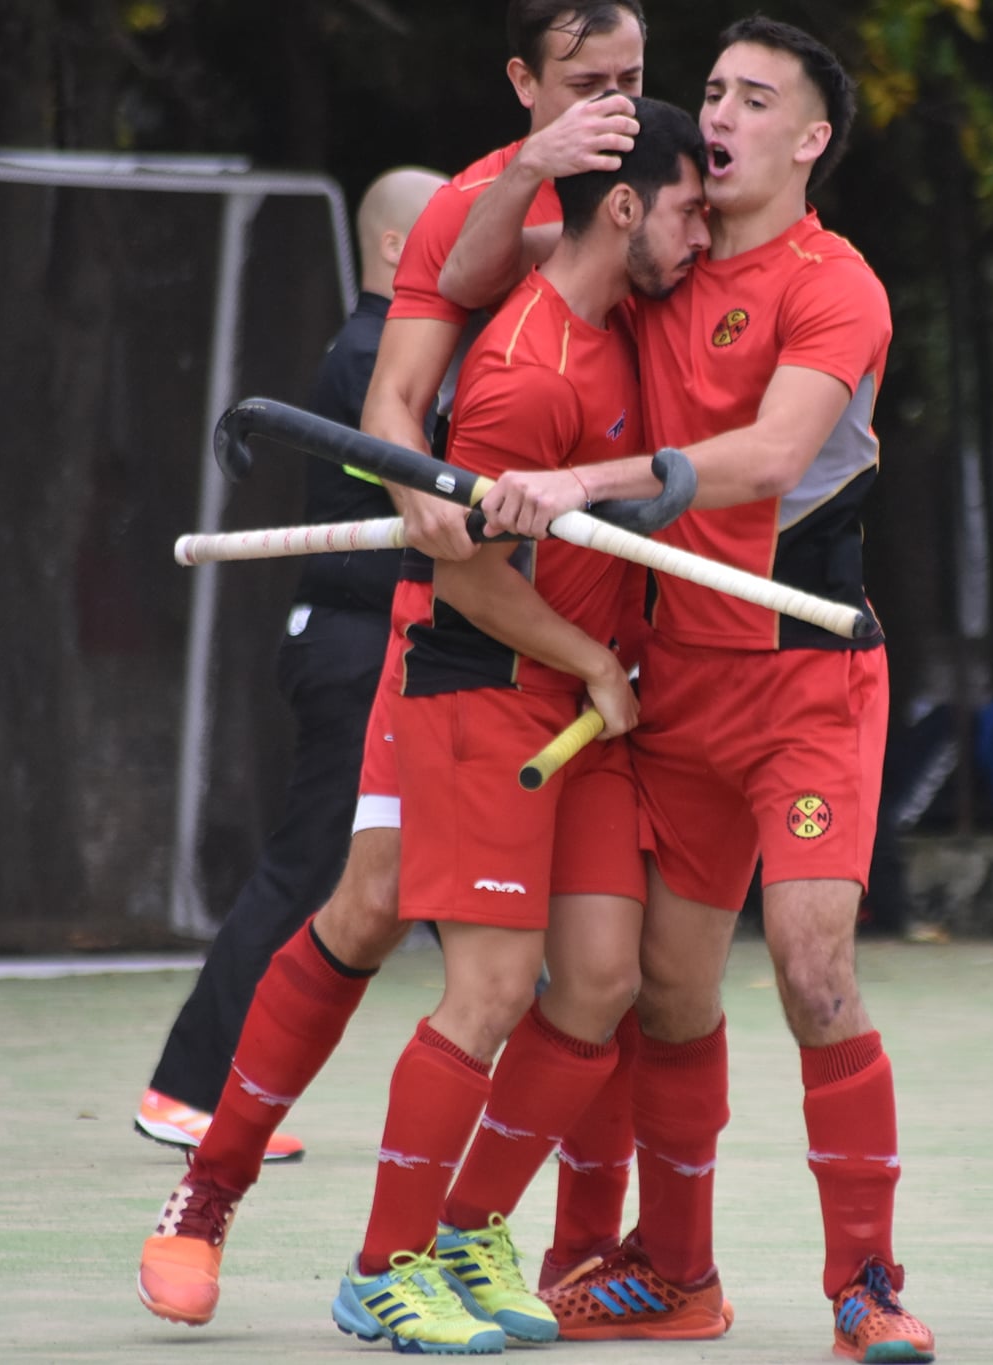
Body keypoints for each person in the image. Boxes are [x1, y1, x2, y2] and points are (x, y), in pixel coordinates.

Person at [135, 1, 649, 1332]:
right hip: (464, 635)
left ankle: (461, 1234)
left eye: (635, 80)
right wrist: (408, 475)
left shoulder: (660, 210)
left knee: (587, 977)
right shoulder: (477, 214)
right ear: (526, 83)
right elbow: (389, 391)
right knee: (367, 916)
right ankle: (215, 1194)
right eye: (587, 82)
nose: (614, 103)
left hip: (576, 652)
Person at [465, 18, 938, 1362]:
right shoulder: (651, 254)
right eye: (711, 88)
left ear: (809, 139)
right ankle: (674, 1277)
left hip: (803, 674)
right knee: (664, 997)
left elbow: (770, 454)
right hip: (673, 679)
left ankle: (866, 1286)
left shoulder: (836, 283)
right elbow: (480, 272)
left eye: (753, 97)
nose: (716, 113)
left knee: (813, 969)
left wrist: (581, 486)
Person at [328, 99, 711, 1355]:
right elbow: (467, 577)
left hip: (581, 704)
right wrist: (599, 661)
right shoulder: (524, 365)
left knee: (597, 984)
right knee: (488, 991)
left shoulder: (628, 327)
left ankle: (462, 1230)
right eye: (688, 210)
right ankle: (379, 1270)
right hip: (493, 687)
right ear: (622, 208)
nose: (702, 236)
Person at [133, 166, 443, 1162]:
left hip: (387, 644)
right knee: (306, 871)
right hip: (356, 647)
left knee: (453, 873)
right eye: (447, 232)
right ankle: (188, 1091)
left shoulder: (392, 348)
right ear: (399, 247)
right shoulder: (372, 356)